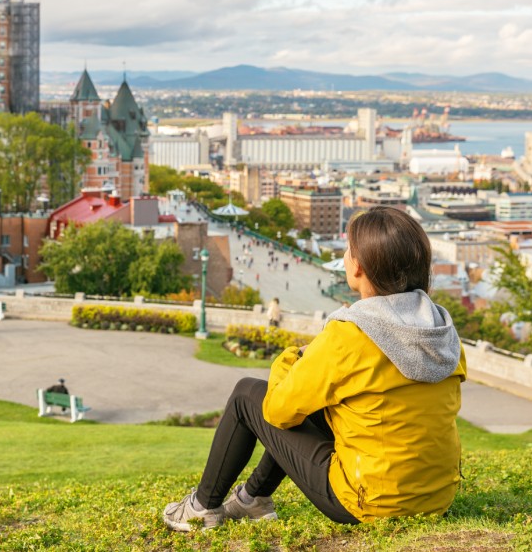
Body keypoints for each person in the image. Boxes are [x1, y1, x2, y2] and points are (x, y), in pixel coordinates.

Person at [163, 206, 466, 532]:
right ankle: (253, 499)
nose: (346, 257)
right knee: (321, 405)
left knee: (246, 395)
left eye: (349, 250)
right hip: (436, 497)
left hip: (370, 501)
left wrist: (293, 357)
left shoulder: (350, 335)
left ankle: (202, 507)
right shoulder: (440, 330)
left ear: (359, 266)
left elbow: (277, 411)